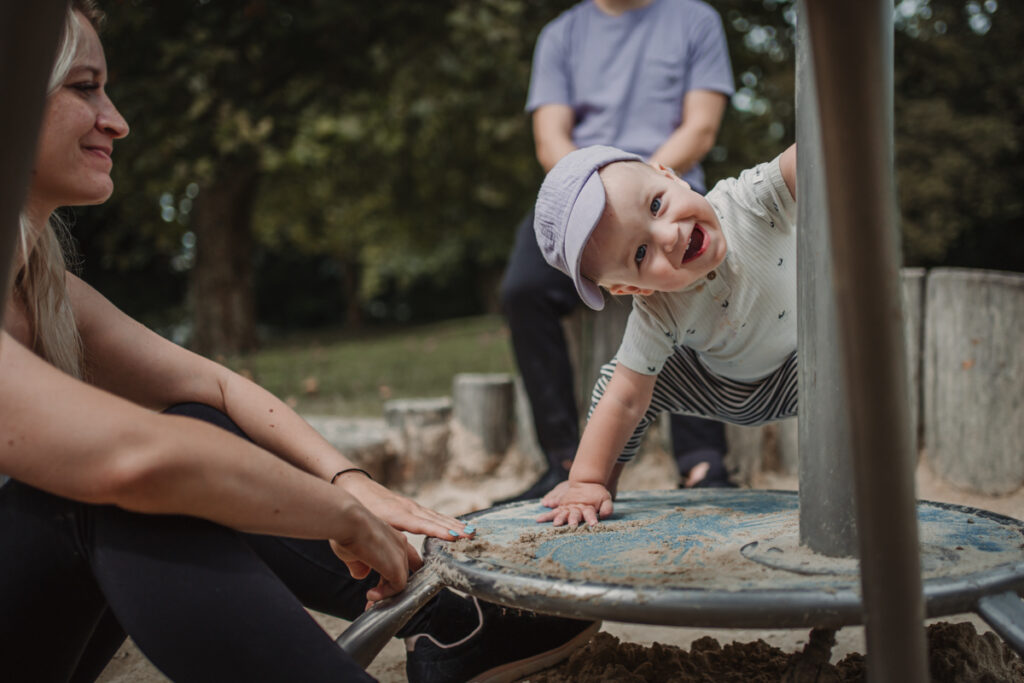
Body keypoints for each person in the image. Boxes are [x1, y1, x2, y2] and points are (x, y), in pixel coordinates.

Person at [0, 3, 597, 681]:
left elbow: (216, 388)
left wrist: (352, 484)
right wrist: (335, 513)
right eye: (84, 88)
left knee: (192, 422)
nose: (118, 120)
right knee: (94, 490)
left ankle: (450, 623)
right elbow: (134, 460)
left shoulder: (43, 288)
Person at [498, 0, 736, 503]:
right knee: (523, 290)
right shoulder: (561, 36)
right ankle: (567, 460)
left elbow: (700, 128)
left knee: (693, 279)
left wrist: (637, 187)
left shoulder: (695, 20)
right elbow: (550, 140)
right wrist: (594, 201)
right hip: (580, 205)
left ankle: (702, 462)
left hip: (660, 185)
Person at [531, 143, 797, 526]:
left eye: (656, 205)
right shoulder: (658, 311)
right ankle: (598, 484)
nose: (668, 236)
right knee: (620, 384)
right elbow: (625, 401)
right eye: (640, 254)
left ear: (670, 176)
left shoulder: (750, 201)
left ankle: (860, 474)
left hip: (805, 371)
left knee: (852, 356)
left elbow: (812, 154)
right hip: (724, 390)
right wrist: (584, 480)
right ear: (632, 289)